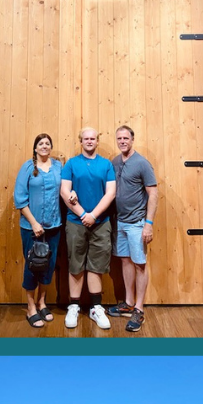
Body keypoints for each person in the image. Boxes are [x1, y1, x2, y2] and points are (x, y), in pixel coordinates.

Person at [60, 127, 116, 330]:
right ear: (80, 141)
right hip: (75, 222)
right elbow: (65, 191)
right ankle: (73, 306)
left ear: (97, 141)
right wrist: (83, 214)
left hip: (101, 223)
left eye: (93, 138)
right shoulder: (72, 164)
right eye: (86, 138)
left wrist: (93, 215)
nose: (90, 141)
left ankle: (95, 308)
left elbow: (110, 194)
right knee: (76, 264)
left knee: (96, 265)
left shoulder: (106, 164)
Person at [107, 125, 159, 333]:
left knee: (139, 264)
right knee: (125, 260)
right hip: (119, 222)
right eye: (119, 138)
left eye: (125, 138)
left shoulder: (142, 163)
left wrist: (149, 224)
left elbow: (153, 195)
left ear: (132, 139)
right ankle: (128, 302)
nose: (122, 141)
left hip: (137, 223)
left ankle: (139, 308)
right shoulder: (115, 162)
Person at [13, 134, 64, 328]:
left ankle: (43, 302)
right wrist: (34, 223)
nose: (44, 146)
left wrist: (73, 193)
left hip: (54, 226)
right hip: (31, 228)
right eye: (40, 144)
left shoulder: (58, 167)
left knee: (48, 265)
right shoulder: (27, 168)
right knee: (33, 265)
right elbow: (20, 199)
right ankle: (31, 307)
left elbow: (66, 188)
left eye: (47, 144)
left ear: (51, 147)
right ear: (35, 148)